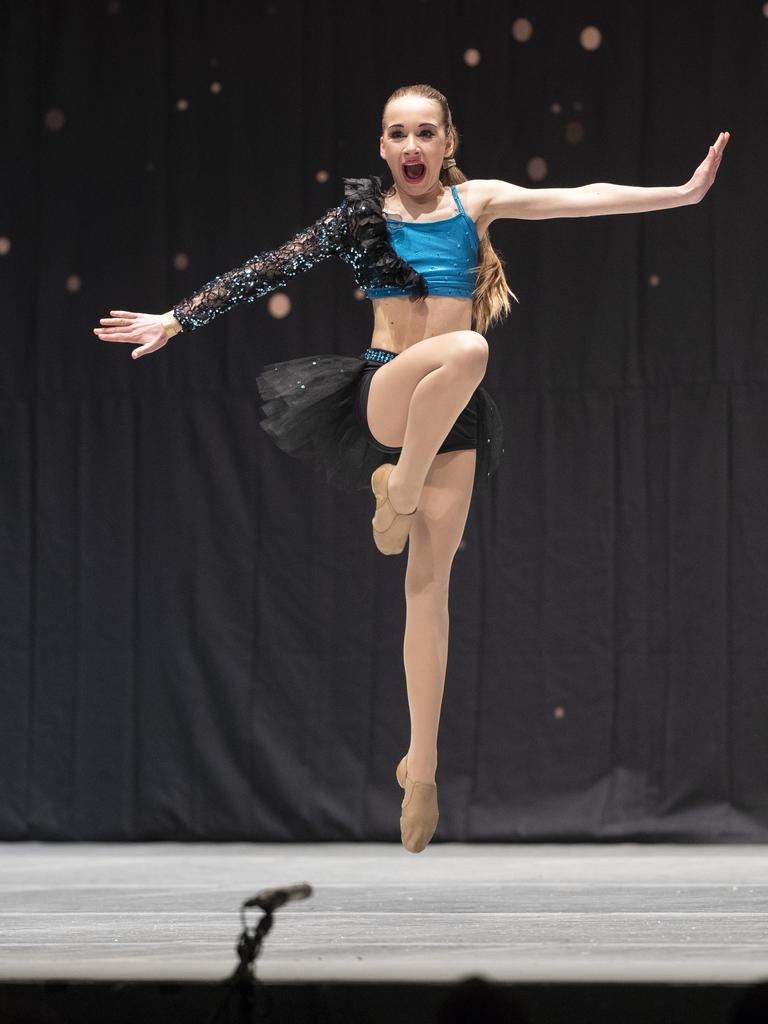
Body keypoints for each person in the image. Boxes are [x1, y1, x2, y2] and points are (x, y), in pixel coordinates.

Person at [93, 83, 729, 854]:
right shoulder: (362, 218)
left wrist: (683, 192)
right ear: (385, 149)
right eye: (398, 134)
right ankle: (395, 483)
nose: (412, 146)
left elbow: (578, 197)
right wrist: (177, 317)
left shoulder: (479, 202)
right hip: (386, 396)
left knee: (430, 587)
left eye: (426, 132)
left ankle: (421, 765)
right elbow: (269, 268)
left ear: (449, 142)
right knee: (469, 347)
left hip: (452, 417)